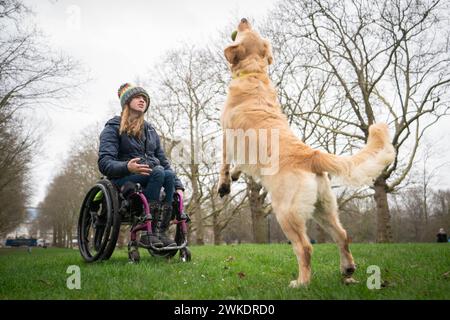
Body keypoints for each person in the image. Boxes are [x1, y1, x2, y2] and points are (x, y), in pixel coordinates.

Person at [98, 83, 184, 248]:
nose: (142, 100)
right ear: (127, 102)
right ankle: (147, 232)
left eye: (145, 98)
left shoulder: (150, 130)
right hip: (124, 178)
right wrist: (127, 167)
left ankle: (160, 231)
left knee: (168, 174)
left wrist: (178, 186)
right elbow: (104, 163)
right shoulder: (113, 127)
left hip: (152, 175)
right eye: (138, 97)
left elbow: (163, 160)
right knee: (159, 171)